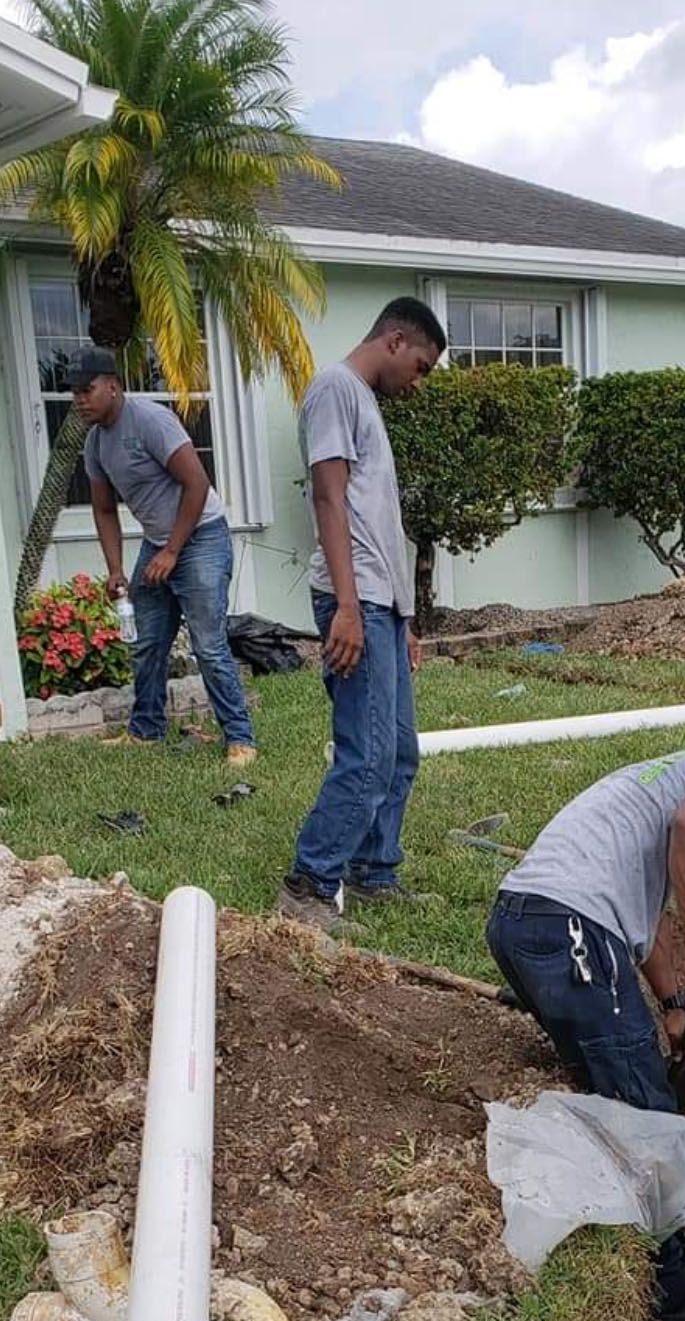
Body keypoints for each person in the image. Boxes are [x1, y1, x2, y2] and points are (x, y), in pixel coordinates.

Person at [487, 722, 685, 1321]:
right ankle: (667, 1310)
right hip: (567, 925)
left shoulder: (668, 776)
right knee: (644, 1110)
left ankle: (667, 1236)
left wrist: (676, 1008)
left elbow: (647, 921)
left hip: (527, 922)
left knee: (619, 1086)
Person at [276, 297, 446, 929]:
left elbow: (378, 520)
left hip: (382, 606)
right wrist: (348, 607)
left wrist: (405, 619)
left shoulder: (363, 400)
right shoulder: (334, 389)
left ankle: (374, 872)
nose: (420, 382)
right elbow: (328, 497)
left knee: (399, 752)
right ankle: (308, 887)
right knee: (366, 753)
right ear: (396, 340)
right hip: (356, 601)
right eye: (423, 366)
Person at [70, 345, 255, 763]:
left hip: (202, 536)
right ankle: (146, 729)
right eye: (74, 392)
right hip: (159, 543)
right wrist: (116, 569)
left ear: (113, 386)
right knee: (148, 641)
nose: (79, 399)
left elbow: (197, 484)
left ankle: (241, 738)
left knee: (208, 646)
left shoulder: (151, 420)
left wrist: (173, 551)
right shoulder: (96, 444)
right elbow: (103, 509)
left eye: (87, 389)